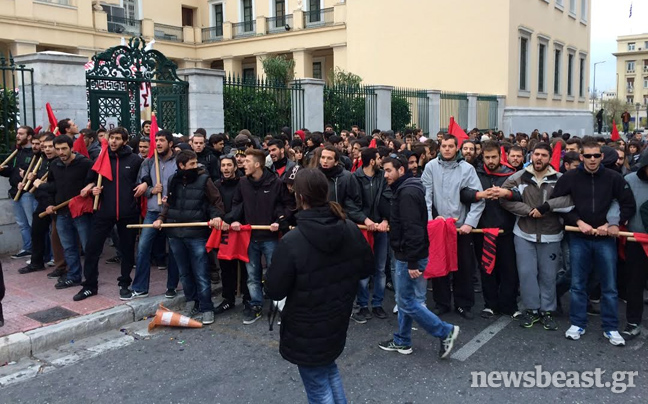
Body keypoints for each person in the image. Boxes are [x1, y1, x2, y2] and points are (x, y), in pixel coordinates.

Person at [266, 168, 373, 404]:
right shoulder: (349, 228)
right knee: (327, 369)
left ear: (300, 198)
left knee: (317, 387)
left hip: (306, 324)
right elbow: (366, 268)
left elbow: (274, 289)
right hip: (338, 314)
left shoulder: (293, 241)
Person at [551, 141, 636, 346]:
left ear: (601, 157)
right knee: (578, 283)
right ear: (581, 156)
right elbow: (556, 203)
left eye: (595, 156)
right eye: (587, 156)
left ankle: (610, 327)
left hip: (605, 239)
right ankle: (578, 323)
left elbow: (628, 204)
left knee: (609, 285)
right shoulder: (569, 178)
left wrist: (612, 224)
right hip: (579, 237)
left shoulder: (613, 178)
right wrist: (578, 222)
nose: (592, 160)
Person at [378, 154, 460, 358]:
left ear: (401, 170)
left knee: (405, 301)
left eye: (388, 170)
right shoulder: (407, 189)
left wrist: (412, 261)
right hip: (407, 254)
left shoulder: (406, 194)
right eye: (384, 170)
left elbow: (413, 229)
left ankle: (444, 331)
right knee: (405, 299)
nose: (385, 174)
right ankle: (402, 340)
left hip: (409, 256)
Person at [500, 143, 573, 330]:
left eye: (543, 155)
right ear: (531, 156)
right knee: (527, 274)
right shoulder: (518, 177)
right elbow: (504, 199)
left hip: (551, 234)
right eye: (536, 154)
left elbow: (570, 199)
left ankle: (547, 310)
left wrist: (546, 207)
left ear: (550, 158)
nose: (539, 158)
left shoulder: (560, 178)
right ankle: (531, 309)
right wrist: (527, 211)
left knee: (548, 275)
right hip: (524, 233)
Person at [154, 150, 225, 325]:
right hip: (175, 233)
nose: (196, 166)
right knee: (184, 273)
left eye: (196, 163)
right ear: (181, 166)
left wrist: (216, 216)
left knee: (201, 272)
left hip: (196, 234)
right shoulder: (173, 180)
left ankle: (206, 307)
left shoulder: (204, 180)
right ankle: (191, 301)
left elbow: (216, 202)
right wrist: (161, 218)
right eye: (192, 164)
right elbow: (168, 203)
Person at [226, 149, 295, 324]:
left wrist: (280, 221)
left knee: (275, 273)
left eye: (247, 161)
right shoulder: (242, 183)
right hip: (250, 237)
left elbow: (288, 205)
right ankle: (256, 305)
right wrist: (235, 220)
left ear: (257, 164)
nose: (243, 163)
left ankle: (279, 306)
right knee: (252, 275)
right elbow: (237, 204)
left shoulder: (276, 183)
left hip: (270, 237)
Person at [75, 127, 143, 301]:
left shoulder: (135, 160)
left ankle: (124, 284)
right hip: (104, 212)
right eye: (111, 138)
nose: (113, 141)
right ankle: (90, 285)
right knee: (92, 249)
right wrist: (92, 188)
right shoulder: (101, 158)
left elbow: (143, 179)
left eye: (118, 138)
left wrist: (145, 185)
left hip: (128, 213)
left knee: (127, 251)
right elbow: (89, 181)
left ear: (125, 141)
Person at [421, 134, 485, 319]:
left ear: (457, 148)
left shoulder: (467, 169)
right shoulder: (431, 167)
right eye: (444, 146)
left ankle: (463, 304)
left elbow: (478, 199)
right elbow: (426, 196)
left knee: (463, 267)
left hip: (460, 228)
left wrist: (469, 223)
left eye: (450, 146)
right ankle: (442, 303)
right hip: (439, 227)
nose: (447, 149)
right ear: (439, 148)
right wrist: (430, 220)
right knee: (440, 264)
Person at [460, 142, 519, 318]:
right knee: (487, 269)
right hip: (482, 231)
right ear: (482, 157)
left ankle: (509, 305)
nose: (491, 161)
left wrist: (505, 193)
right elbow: (463, 194)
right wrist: (480, 194)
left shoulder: (511, 174)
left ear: (500, 156)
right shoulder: (475, 173)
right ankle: (490, 305)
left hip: (505, 230)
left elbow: (521, 195)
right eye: (487, 157)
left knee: (509, 269)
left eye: (494, 157)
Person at [130, 130, 179, 299]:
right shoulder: (149, 163)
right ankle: (140, 287)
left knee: (173, 250)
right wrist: (151, 190)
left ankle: (172, 286)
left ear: (170, 143)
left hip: (172, 212)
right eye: (156, 140)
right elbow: (140, 186)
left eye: (162, 140)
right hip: (152, 212)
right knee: (143, 248)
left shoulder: (179, 162)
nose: (158, 143)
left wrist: (172, 196)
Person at [39, 135, 93, 290]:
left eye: (64, 149)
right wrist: (50, 204)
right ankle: (74, 276)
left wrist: (90, 186)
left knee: (87, 246)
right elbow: (51, 187)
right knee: (68, 247)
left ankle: (90, 279)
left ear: (72, 148)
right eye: (58, 149)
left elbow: (96, 180)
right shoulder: (55, 165)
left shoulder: (85, 164)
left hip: (81, 213)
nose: (61, 152)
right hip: (62, 212)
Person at [351, 147, 392, 323]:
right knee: (362, 269)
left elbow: (388, 198)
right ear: (372, 161)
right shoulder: (354, 177)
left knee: (380, 269)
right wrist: (365, 220)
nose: (381, 161)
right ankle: (362, 305)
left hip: (381, 230)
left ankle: (377, 304)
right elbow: (350, 203)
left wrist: (385, 219)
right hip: (362, 229)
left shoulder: (383, 177)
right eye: (378, 158)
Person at [213, 153, 250, 314]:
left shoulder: (244, 183)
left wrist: (231, 219)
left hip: (240, 227)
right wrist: (218, 218)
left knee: (245, 264)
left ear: (235, 167)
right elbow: (212, 203)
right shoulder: (216, 184)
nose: (226, 168)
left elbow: (243, 204)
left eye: (229, 165)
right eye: (223, 166)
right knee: (225, 265)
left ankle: (248, 298)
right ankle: (228, 298)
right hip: (223, 228)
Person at [18, 133, 57, 274]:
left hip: (55, 203)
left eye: (49, 146)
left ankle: (61, 266)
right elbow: (38, 183)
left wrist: (42, 184)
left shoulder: (58, 162)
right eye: (44, 146)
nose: (46, 148)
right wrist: (29, 182)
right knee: (37, 231)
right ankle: (37, 262)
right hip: (42, 201)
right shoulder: (42, 160)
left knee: (58, 237)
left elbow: (58, 185)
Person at [622, 151, 648, 339]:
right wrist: (614, 222)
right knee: (634, 284)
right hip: (636, 240)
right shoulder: (630, 180)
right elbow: (620, 204)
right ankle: (633, 322)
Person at [0, 125, 36, 259]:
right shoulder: (16, 152)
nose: (17, 136)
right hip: (15, 191)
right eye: (17, 133)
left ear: (29, 136)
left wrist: (27, 175)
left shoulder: (34, 153)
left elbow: (37, 173)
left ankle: (39, 251)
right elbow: (11, 171)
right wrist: (2, 170)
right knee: (22, 224)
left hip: (27, 192)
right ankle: (28, 248)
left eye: (21, 134)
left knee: (33, 223)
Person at [318, 146, 364, 223]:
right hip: (319, 221)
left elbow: (355, 201)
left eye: (329, 158)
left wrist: (344, 217)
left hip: (341, 222)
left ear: (336, 162)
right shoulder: (314, 176)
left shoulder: (347, 177)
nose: (325, 161)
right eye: (323, 157)